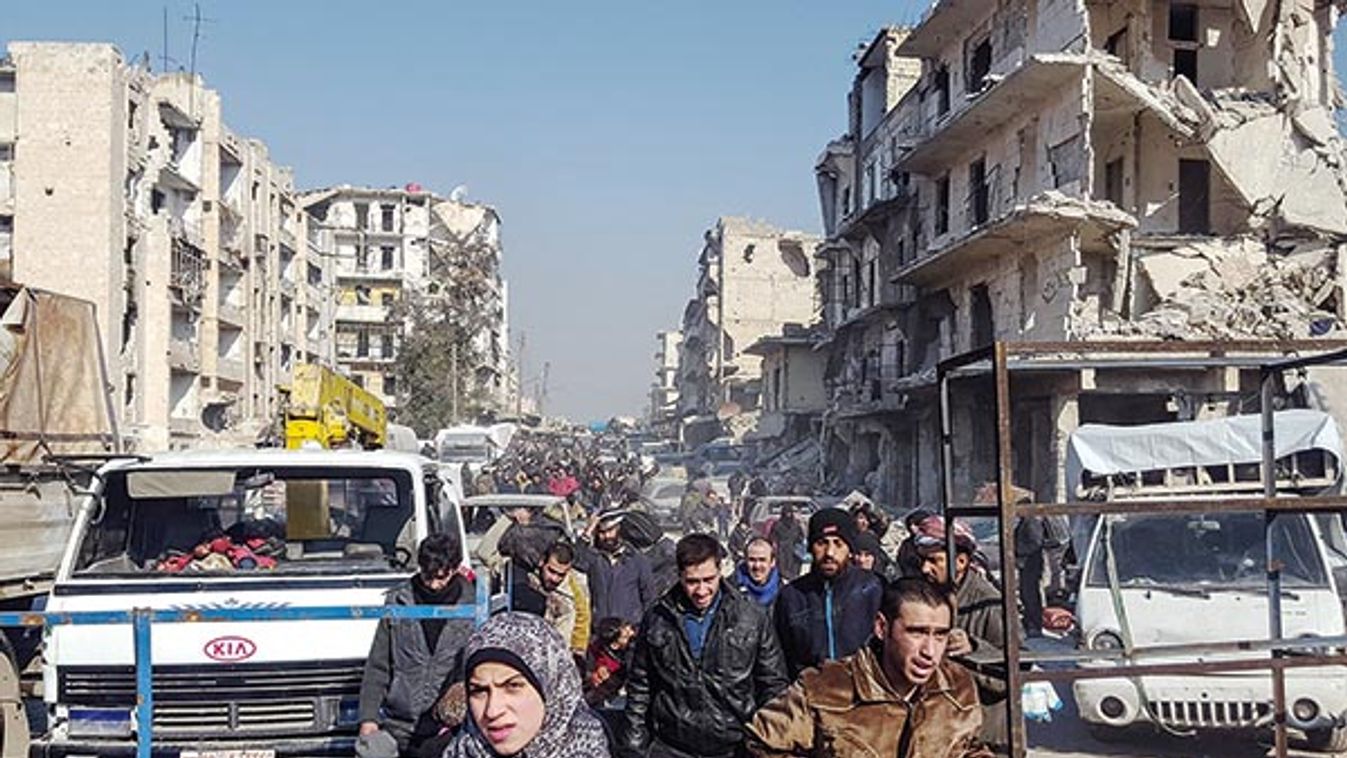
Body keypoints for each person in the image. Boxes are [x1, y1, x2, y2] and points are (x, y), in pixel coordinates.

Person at [745, 578, 993, 758]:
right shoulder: (825, 688)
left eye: (940, 635)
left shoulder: (957, 686)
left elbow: (967, 747)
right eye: (916, 633)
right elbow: (761, 743)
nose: (929, 651)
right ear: (882, 628)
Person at [621, 533, 790, 758]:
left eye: (709, 579)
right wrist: (634, 745)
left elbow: (773, 684)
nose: (701, 591)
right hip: (672, 747)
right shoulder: (657, 618)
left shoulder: (752, 617)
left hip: (735, 747)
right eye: (692, 582)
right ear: (679, 575)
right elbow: (640, 685)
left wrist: (766, 741)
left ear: (721, 571)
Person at [357, 533, 475, 757]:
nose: (433, 584)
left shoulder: (474, 607)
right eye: (427, 576)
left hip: (448, 731)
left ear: (455, 569)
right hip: (399, 727)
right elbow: (378, 665)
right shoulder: (398, 602)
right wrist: (369, 719)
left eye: (441, 577)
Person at [443, 612, 611, 758]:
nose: (492, 711)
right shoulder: (457, 750)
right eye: (479, 691)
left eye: (513, 686)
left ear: (553, 688)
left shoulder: (587, 747)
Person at [915, 518, 1009, 753]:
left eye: (934, 560)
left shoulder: (989, 603)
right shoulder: (926, 597)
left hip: (983, 737)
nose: (925, 569)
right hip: (939, 733)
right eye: (923, 560)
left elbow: (1012, 673)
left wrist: (975, 649)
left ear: (961, 561)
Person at [774, 509, 884, 679]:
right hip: (810, 697)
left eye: (838, 543)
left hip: (864, 696)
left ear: (849, 549)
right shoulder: (792, 597)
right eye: (822, 543)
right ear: (811, 547)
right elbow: (780, 660)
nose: (829, 553)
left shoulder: (873, 589)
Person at [576, 509, 656, 630]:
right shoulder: (595, 559)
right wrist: (588, 531)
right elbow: (576, 560)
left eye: (610, 530)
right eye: (602, 532)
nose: (607, 536)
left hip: (629, 631)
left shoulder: (637, 560)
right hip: (601, 630)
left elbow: (649, 598)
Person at [512, 540, 592, 658]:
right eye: (551, 571)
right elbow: (484, 554)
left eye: (561, 575)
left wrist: (578, 654)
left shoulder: (576, 588)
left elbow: (583, 620)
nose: (555, 579)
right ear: (542, 562)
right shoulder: (526, 577)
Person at [584, 617, 636, 708]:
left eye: (628, 628)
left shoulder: (633, 650)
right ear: (614, 645)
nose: (631, 633)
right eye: (625, 637)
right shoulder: (595, 650)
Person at [732, 536, 782, 609]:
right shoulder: (731, 590)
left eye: (762, 560)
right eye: (752, 560)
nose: (757, 566)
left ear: (772, 562)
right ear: (745, 560)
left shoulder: (784, 592)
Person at [768, 502, 805, 582]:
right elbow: (772, 536)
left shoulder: (796, 524)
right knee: (782, 568)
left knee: (794, 568)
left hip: (793, 549)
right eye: (786, 512)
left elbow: (801, 536)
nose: (788, 514)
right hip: (782, 549)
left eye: (789, 512)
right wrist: (774, 545)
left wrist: (798, 542)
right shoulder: (777, 524)